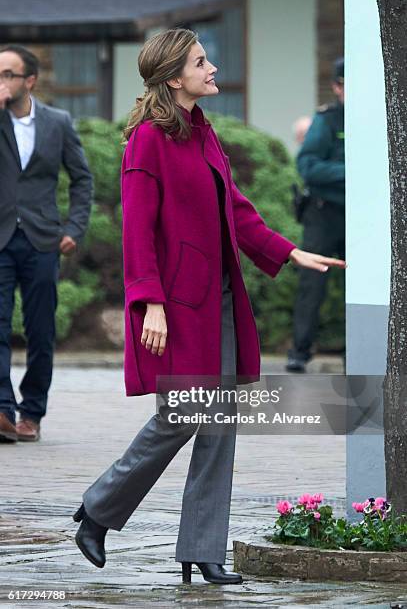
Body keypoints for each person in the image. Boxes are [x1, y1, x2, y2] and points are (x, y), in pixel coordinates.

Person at [72, 29, 345, 585]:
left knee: (219, 421)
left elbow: (238, 213)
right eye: (201, 61)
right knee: (181, 416)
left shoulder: (203, 132)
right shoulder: (147, 140)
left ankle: (202, 547)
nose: (213, 67)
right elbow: (137, 229)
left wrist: (290, 252)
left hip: (219, 297)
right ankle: (98, 510)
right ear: (174, 77)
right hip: (175, 304)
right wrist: (149, 302)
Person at [0, 46, 93, 442]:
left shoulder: (58, 122)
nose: (0, 82)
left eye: (7, 74)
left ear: (30, 81)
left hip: (42, 241)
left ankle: (31, 412)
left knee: (40, 332)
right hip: (0, 238)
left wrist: (74, 227)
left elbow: (82, 178)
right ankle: (2, 410)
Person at [286, 57, 345, 373]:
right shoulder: (327, 120)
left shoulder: (382, 117)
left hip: (359, 219)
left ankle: (358, 352)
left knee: (363, 288)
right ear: (337, 87)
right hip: (323, 213)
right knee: (312, 282)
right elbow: (308, 166)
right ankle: (299, 351)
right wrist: (352, 172)